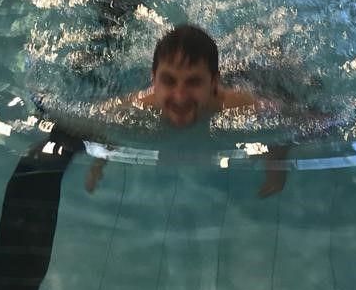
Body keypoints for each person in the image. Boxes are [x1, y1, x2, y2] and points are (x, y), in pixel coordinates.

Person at [84, 24, 288, 197]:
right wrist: (98, 164)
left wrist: (275, 169)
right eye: (169, 81)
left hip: (249, 76)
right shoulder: (138, 105)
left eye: (193, 82)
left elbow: (287, 125)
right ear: (154, 80)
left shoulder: (238, 105)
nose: (180, 96)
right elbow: (105, 130)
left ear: (214, 83)